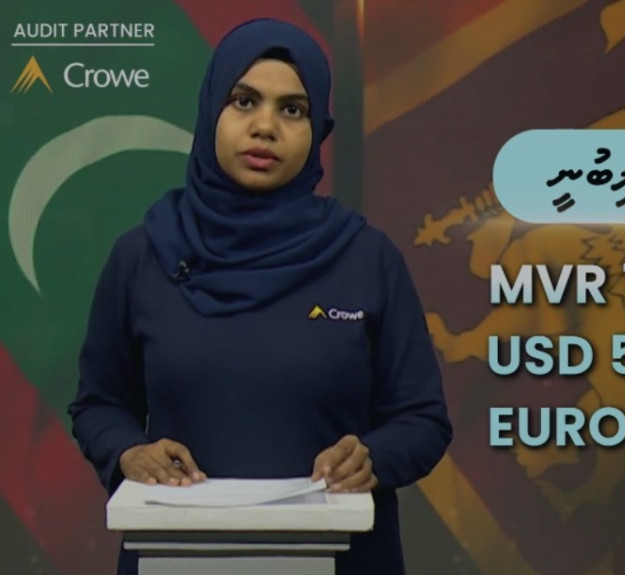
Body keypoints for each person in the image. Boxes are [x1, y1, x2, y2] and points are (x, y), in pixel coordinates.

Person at [67, 18, 452, 575]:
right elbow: (98, 405)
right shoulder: (142, 255)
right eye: (244, 101)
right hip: (175, 556)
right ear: (211, 111)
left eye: (292, 110)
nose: (265, 127)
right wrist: (129, 451)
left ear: (318, 130)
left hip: (342, 558)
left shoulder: (367, 258)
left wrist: (372, 458)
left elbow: (422, 419)